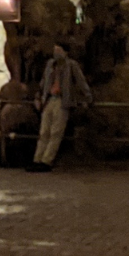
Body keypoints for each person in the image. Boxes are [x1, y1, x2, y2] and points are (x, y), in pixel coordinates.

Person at [29, 42, 91, 172]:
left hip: (62, 101)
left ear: (65, 52)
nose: (55, 53)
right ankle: (37, 159)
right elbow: (43, 83)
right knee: (44, 131)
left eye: (58, 50)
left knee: (56, 132)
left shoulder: (71, 66)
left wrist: (87, 97)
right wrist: (38, 96)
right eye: (55, 50)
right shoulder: (50, 65)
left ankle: (47, 161)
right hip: (49, 100)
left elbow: (81, 81)